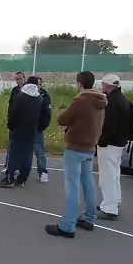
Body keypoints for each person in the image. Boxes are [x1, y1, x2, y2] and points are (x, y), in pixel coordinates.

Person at [45, 71, 107, 238]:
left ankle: (67, 225)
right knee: (88, 182)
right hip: (90, 147)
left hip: (75, 146)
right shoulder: (100, 102)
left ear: (79, 84)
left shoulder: (80, 101)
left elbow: (62, 119)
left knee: (72, 185)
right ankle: (89, 217)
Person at [0, 76, 42, 188]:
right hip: (31, 130)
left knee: (14, 155)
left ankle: (9, 178)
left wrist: (10, 126)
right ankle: (22, 179)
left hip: (18, 130)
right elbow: (44, 115)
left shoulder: (20, 97)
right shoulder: (39, 98)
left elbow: (13, 114)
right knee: (27, 155)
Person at [96, 74, 130, 220]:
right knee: (115, 174)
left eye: (103, 84)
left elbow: (108, 125)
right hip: (119, 143)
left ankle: (109, 208)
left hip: (109, 144)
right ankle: (113, 202)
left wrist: (101, 142)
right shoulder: (123, 100)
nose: (101, 87)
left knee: (107, 176)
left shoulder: (111, 102)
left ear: (108, 85)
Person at [2, 71, 26, 173]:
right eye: (16, 79)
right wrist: (10, 120)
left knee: (23, 148)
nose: (18, 81)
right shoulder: (14, 90)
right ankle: (10, 166)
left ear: (24, 79)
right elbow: (11, 106)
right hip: (15, 122)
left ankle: (21, 168)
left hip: (25, 123)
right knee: (11, 146)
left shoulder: (29, 90)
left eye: (20, 78)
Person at [34, 76, 52, 184]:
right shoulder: (25, 94)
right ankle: (15, 169)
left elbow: (47, 113)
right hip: (25, 128)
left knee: (40, 151)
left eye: (38, 84)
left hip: (38, 128)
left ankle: (43, 172)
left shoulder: (45, 96)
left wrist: (42, 126)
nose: (36, 86)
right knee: (20, 150)